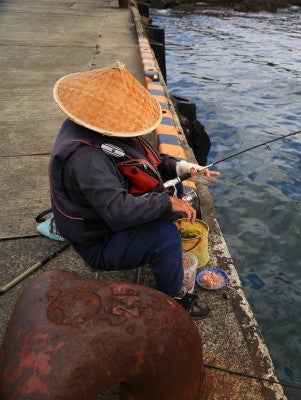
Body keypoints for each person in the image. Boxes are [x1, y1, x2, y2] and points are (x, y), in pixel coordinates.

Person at [48, 62, 220, 319]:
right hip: (98, 242)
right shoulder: (87, 158)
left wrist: (187, 167)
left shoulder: (101, 129)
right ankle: (175, 296)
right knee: (166, 236)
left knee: (177, 188)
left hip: (105, 218)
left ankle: (163, 253)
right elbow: (118, 211)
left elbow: (148, 163)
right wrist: (169, 205)